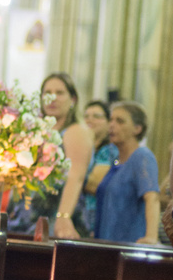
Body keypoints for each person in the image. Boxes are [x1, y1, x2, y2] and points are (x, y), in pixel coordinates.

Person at [95, 101, 160, 244]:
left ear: (137, 128)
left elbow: (152, 197)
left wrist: (151, 237)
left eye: (120, 121)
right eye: (111, 120)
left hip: (130, 247)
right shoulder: (116, 162)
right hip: (107, 245)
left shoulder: (142, 156)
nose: (111, 125)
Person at [37, 72, 93, 238]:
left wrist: (63, 217)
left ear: (73, 100)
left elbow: (75, 175)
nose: (52, 98)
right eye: (47, 93)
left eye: (59, 93)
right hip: (33, 214)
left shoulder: (75, 131)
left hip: (59, 215)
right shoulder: (39, 132)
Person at [80, 99, 118, 234]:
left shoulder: (109, 150)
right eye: (86, 116)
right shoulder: (84, 147)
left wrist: (67, 174)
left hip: (94, 217)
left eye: (97, 116)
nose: (89, 120)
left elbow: (94, 185)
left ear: (109, 123)